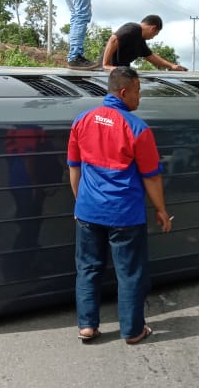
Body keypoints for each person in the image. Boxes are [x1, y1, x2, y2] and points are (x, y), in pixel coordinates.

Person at [67, 66, 173, 344]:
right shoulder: (138, 128)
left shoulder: (82, 120)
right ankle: (133, 330)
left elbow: (74, 169)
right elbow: (151, 177)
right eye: (138, 91)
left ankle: (87, 326)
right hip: (124, 214)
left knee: (88, 268)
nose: (140, 98)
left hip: (88, 210)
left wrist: (81, 204)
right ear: (124, 92)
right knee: (130, 273)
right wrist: (161, 210)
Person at [101, 15, 188, 71]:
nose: (153, 37)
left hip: (120, 71)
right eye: (155, 34)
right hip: (107, 72)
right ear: (153, 28)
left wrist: (172, 66)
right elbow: (113, 39)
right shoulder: (133, 28)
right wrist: (106, 64)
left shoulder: (140, 41)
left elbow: (151, 57)